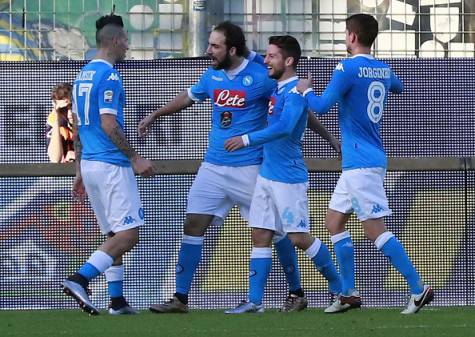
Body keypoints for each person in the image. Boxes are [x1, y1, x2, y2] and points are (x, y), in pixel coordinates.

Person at [139, 21, 340, 314]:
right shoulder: (213, 75)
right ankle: (180, 298)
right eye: (209, 45)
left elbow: (295, 110)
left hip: (251, 167)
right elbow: (189, 96)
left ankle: (296, 292)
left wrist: (329, 137)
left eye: (215, 46)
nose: (208, 51)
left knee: (278, 232)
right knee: (193, 224)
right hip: (213, 166)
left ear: (232, 49)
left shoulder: (262, 76)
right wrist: (155, 113)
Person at [296, 13, 434, 314]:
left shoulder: (346, 68)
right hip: (362, 161)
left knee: (375, 230)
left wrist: (304, 89)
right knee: (333, 222)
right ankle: (348, 293)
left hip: (361, 163)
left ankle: (417, 287)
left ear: (352, 37)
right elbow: (397, 87)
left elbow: (319, 106)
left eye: (346, 33)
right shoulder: (383, 69)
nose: (345, 38)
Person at [223, 35, 342, 314]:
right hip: (267, 175)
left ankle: (342, 288)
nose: (266, 61)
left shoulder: (296, 92)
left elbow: (287, 127)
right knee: (260, 234)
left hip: (288, 178)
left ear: (288, 61)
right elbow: (251, 57)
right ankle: (254, 301)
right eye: (266, 55)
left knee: (299, 238)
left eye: (272, 56)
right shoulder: (281, 88)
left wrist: (246, 139)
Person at [61, 14, 155, 316]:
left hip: (90, 165)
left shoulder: (82, 75)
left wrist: (78, 169)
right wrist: (135, 157)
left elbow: (77, 126)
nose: (127, 46)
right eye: (126, 40)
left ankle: (116, 301)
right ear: (115, 41)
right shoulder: (110, 76)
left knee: (114, 234)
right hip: (111, 165)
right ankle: (80, 279)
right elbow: (108, 124)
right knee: (128, 236)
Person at [46, 83, 76, 163]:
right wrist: (57, 118)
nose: (69, 113)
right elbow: (55, 159)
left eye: (72, 107)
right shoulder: (54, 118)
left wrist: (77, 155)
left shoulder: (89, 116)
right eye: (64, 109)